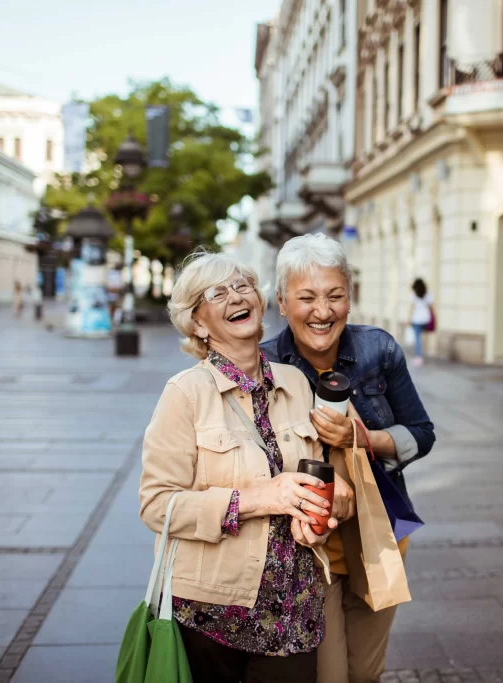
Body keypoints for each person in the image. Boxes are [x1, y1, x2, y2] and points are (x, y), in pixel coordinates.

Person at [141, 250, 355, 683]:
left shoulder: (295, 382)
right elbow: (157, 506)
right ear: (198, 323)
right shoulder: (185, 394)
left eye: (242, 286)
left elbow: (317, 475)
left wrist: (327, 510)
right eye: (216, 293)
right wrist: (257, 499)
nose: (236, 296)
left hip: (294, 608)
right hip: (213, 611)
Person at [261, 234, 435, 683]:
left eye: (335, 295)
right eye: (307, 297)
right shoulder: (264, 368)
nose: (323, 311)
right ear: (282, 301)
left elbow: (422, 434)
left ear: (350, 298)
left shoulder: (379, 351)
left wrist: (365, 437)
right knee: (330, 675)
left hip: (377, 538)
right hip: (308, 548)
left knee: (364, 672)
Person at [409, 278, 434, 366]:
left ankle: (419, 357)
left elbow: (412, 308)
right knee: (422, 337)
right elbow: (431, 307)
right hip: (426, 318)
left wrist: (409, 318)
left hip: (416, 319)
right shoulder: (428, 294)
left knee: (417, 338)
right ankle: (423, 353)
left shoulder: (413, 295)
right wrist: (433, 317)